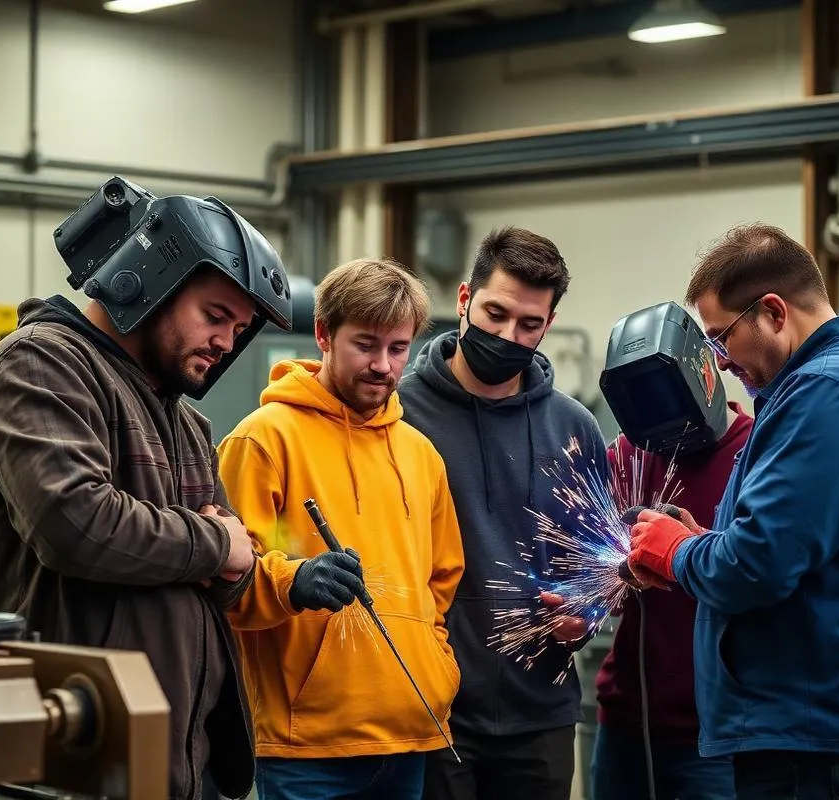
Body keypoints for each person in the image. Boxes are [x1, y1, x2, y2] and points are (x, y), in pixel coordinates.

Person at [0, 177, 292, 800]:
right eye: (215, 316)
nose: (225, 341)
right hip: (65, 757)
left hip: (177, 762)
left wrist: (222, 551)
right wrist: (213, 541)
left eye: (238, 329)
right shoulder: (39, 366)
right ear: (148, 279)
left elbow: (241, 566)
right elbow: (76, 524)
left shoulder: (187, 420)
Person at [626, 223, 839, 800]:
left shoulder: (827, 393)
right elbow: (786, 544)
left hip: (815, 733)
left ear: (771, 311)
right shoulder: (838, 385)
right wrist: (706, 542)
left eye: (720, 340)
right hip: (826, 725)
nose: (716, 363)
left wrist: (675, 551)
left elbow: (755, 566)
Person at [215, 257, 465, 800]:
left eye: (398, 348)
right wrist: (292, 581)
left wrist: (435, 666)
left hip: (410, 734)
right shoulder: (264, 441)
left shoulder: (421, 455)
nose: (383, 365)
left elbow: (441, 582)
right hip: (308, 748)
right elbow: (226, 576)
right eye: (366, 345)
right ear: (324, 335)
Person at [398, 226, 608, 800]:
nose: (507, 334)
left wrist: (586, 613)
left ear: (549, 325)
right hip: (430, 712)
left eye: (529, 325)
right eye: (494, 313)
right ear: (463, 300)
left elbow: (598, 567)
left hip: (540, 715)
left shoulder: (574, 429)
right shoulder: (396, 415)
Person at [592, 302, 753, 800]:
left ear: (704, 372)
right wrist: (605, 582)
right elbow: (595, 573)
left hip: (717, 734)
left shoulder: (758, 454)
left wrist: (691, 551)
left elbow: (764, 573)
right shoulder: (629, 454)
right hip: (626, 721)